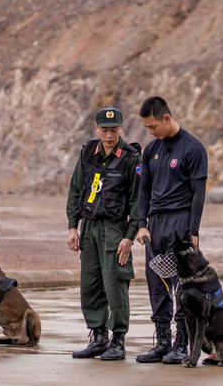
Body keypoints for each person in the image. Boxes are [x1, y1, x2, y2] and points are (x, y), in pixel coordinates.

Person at [134, 96, 208, 364]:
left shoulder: (193, 149)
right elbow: (144, 190)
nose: (150, 132)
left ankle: (181, 343)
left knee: (182, 286)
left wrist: (193, 231)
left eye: (153, 126)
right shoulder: (151, 150)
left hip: (181, 223)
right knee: (157, 284)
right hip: (156, 224)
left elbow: (199, 194)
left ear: (166, 118)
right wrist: (141, 224)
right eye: (147, 128)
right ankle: (163, 341)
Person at [66, 107, 142, 361]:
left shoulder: (131, 158)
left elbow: (137, 201)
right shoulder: (88, 151)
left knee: (115, 284)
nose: (109, 135)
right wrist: (73, 227)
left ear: (121, 128)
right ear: (97, 128)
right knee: (91, 284)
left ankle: (118, 340)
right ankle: (98, 337)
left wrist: (129, 236)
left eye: (114, 130)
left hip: (115, 228)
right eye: (105, 130)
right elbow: (76, 189)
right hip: (89, 227)